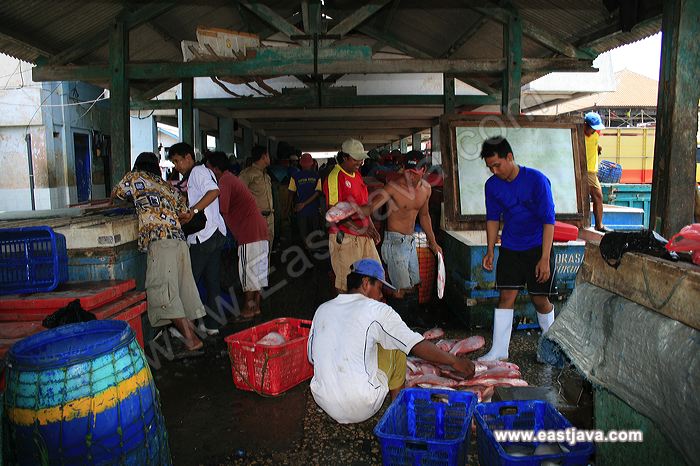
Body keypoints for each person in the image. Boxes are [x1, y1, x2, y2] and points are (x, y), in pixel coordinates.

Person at [307, 258, 475, 424]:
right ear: (366, 283)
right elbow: (415, 344)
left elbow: (312, 358)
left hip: (324, 401)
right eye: (379, 288)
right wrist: (454, 361)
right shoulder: (377, 309)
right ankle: (397, 412)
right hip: (361, 404)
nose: (381, 296)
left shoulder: (323, 309)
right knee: (398, 343)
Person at [112, 152, 204, 351]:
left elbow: (116, 195)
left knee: (162, 291)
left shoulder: (134, 177)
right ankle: (192, 334)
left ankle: (191, 340)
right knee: (183, 290)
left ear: (137, 165)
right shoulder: (167, 185)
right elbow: (184, 212)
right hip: (180, 242)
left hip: (160, 242)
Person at [479, 137, 556, 361]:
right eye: (490, 167)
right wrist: (490, 250)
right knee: (506, 296)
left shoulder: (537, 180)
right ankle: (499, 351)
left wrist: (544, 258)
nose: (494, 171)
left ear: (510, 157)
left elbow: (549, 220)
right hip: (511, 247)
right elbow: (493, 219)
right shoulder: (492, 186)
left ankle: (551, 348)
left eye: (497, 165)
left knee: (539, 299)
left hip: (538, 247)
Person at [363, 151, 442, 326]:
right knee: (400, 288)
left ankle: (412, 318)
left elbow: (424, 216)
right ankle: (399, 324)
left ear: (424, 170)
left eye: (414, 173)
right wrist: (361, 217)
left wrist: (433, 242)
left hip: (410, 242)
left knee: (414, 283)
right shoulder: (393, 187)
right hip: (394, 242)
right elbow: (370, 207)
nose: (409, 177)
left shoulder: (426, 189)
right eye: (407, 172)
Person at [167, 142, 228, 335]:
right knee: (212, 282)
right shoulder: (198, 174)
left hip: (204, 237)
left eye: (177, 161)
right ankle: (212, 325)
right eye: (174, 163)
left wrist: (193, 211)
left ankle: (186, 328)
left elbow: (214, 192)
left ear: (188, 157)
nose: (176, 166)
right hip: (214, 233)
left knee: (189, 282)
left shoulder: (198, 172)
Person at [206, 151, 269, 320]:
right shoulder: (231, 178)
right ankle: (256, 307)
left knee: (249, 272)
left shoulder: (224, 181)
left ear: (215, 169)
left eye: (208, 168)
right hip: (259, 229)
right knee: (257, 271)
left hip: (249, 231)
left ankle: (248, 309)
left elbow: (221, 209)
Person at [323, 138, 381, 292]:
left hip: (363, 235)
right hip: (344, 237)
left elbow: (364, 206)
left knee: (373, 275)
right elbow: (333, 213)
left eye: (361, 158)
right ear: (345, 157)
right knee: (346, 283)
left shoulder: (357, 175)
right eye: (356, 159)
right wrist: (359, 229)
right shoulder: (335, 177)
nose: (360, 162)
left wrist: (371, 227)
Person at [239, 145, 275, 249]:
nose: (269, 158)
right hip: (256, 219)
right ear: (264, 157)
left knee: (268, 249)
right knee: (256, 251)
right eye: (268, 155)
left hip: (269, 218)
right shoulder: (247, 174)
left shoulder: (266, 175)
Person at [288, 153, 322, 251]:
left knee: (303, 231)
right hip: (314, 209)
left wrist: (288, 208)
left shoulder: (295, 176)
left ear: (300, 163)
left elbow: (291, 193)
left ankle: (307, 248)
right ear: (312, 163)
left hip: (300, 210)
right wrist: (306, 204)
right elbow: (318, 193)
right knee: (314, 230)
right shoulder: (317, 176)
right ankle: (312, 249)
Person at [583, 112, 610, 232]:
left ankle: (599, 225)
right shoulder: (578, 135)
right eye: (592, 128)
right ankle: (598, 225)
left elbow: (594, 142)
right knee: (597, 196)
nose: (594, 131)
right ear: (585, 125)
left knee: (597, 197)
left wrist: (598, 147)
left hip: (592, 172)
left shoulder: (595, 134)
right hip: (585, 171)